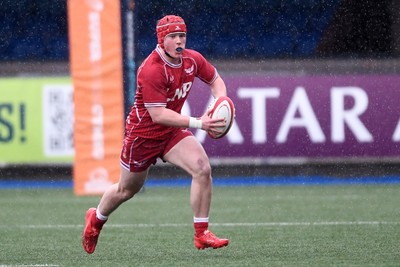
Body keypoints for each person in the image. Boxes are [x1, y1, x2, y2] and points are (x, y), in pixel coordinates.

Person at [82, 14, 230, 254]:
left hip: (171, 133)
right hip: (143, 136)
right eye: (173, 36)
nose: (179, 41)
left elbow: (216, 81)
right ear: (162, 39)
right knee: (126, 190)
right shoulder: (151, 69)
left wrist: (221, 101)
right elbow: (158, 115)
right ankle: (96, 220)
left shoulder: (192, 59)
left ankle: (202, 233)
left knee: (202, 167)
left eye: (182, 35)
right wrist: (199, 122)